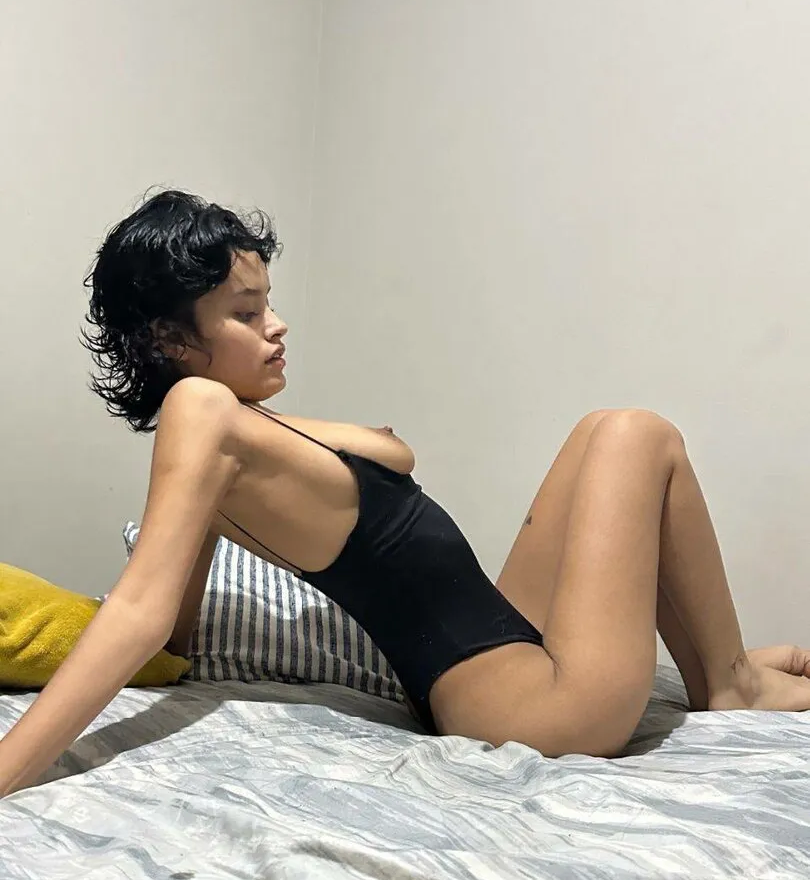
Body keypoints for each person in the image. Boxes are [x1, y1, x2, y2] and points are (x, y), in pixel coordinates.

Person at [2, 189, 809, 799]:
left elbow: (175, 641)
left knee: (600, 430)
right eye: (247, 313)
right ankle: (730, 682)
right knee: (638, 433)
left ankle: (723, 665)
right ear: (170, 340)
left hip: (501, 657)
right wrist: (11, 768)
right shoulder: (199, 409)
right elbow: (143, 614)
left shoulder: (229, 436)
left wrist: (171, 659)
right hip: (535, 710)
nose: (277, 324)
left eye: (270, 302)